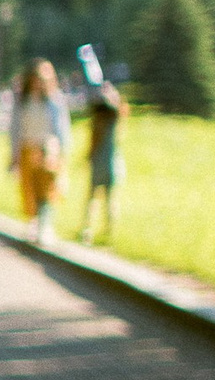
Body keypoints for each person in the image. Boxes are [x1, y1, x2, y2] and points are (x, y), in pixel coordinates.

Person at [8, 58, 68, 243]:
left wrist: (61, 152)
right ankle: (34, 225)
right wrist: (14, 154)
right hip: (28, 147)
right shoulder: (23, 101)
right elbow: (15, 129)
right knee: (29, 188)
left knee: (47, 188)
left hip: (47, 149)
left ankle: (45, 226)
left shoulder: (54, 100)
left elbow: (61, 128)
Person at [81, 84, 126, 242]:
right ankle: (109, 232)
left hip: (100, 161)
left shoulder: (99, 120)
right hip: (113, 161)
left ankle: (87, 230)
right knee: (110, 199)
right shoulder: (116, 118)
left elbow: (94, 141)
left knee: (93, 197)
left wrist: (88, 156)